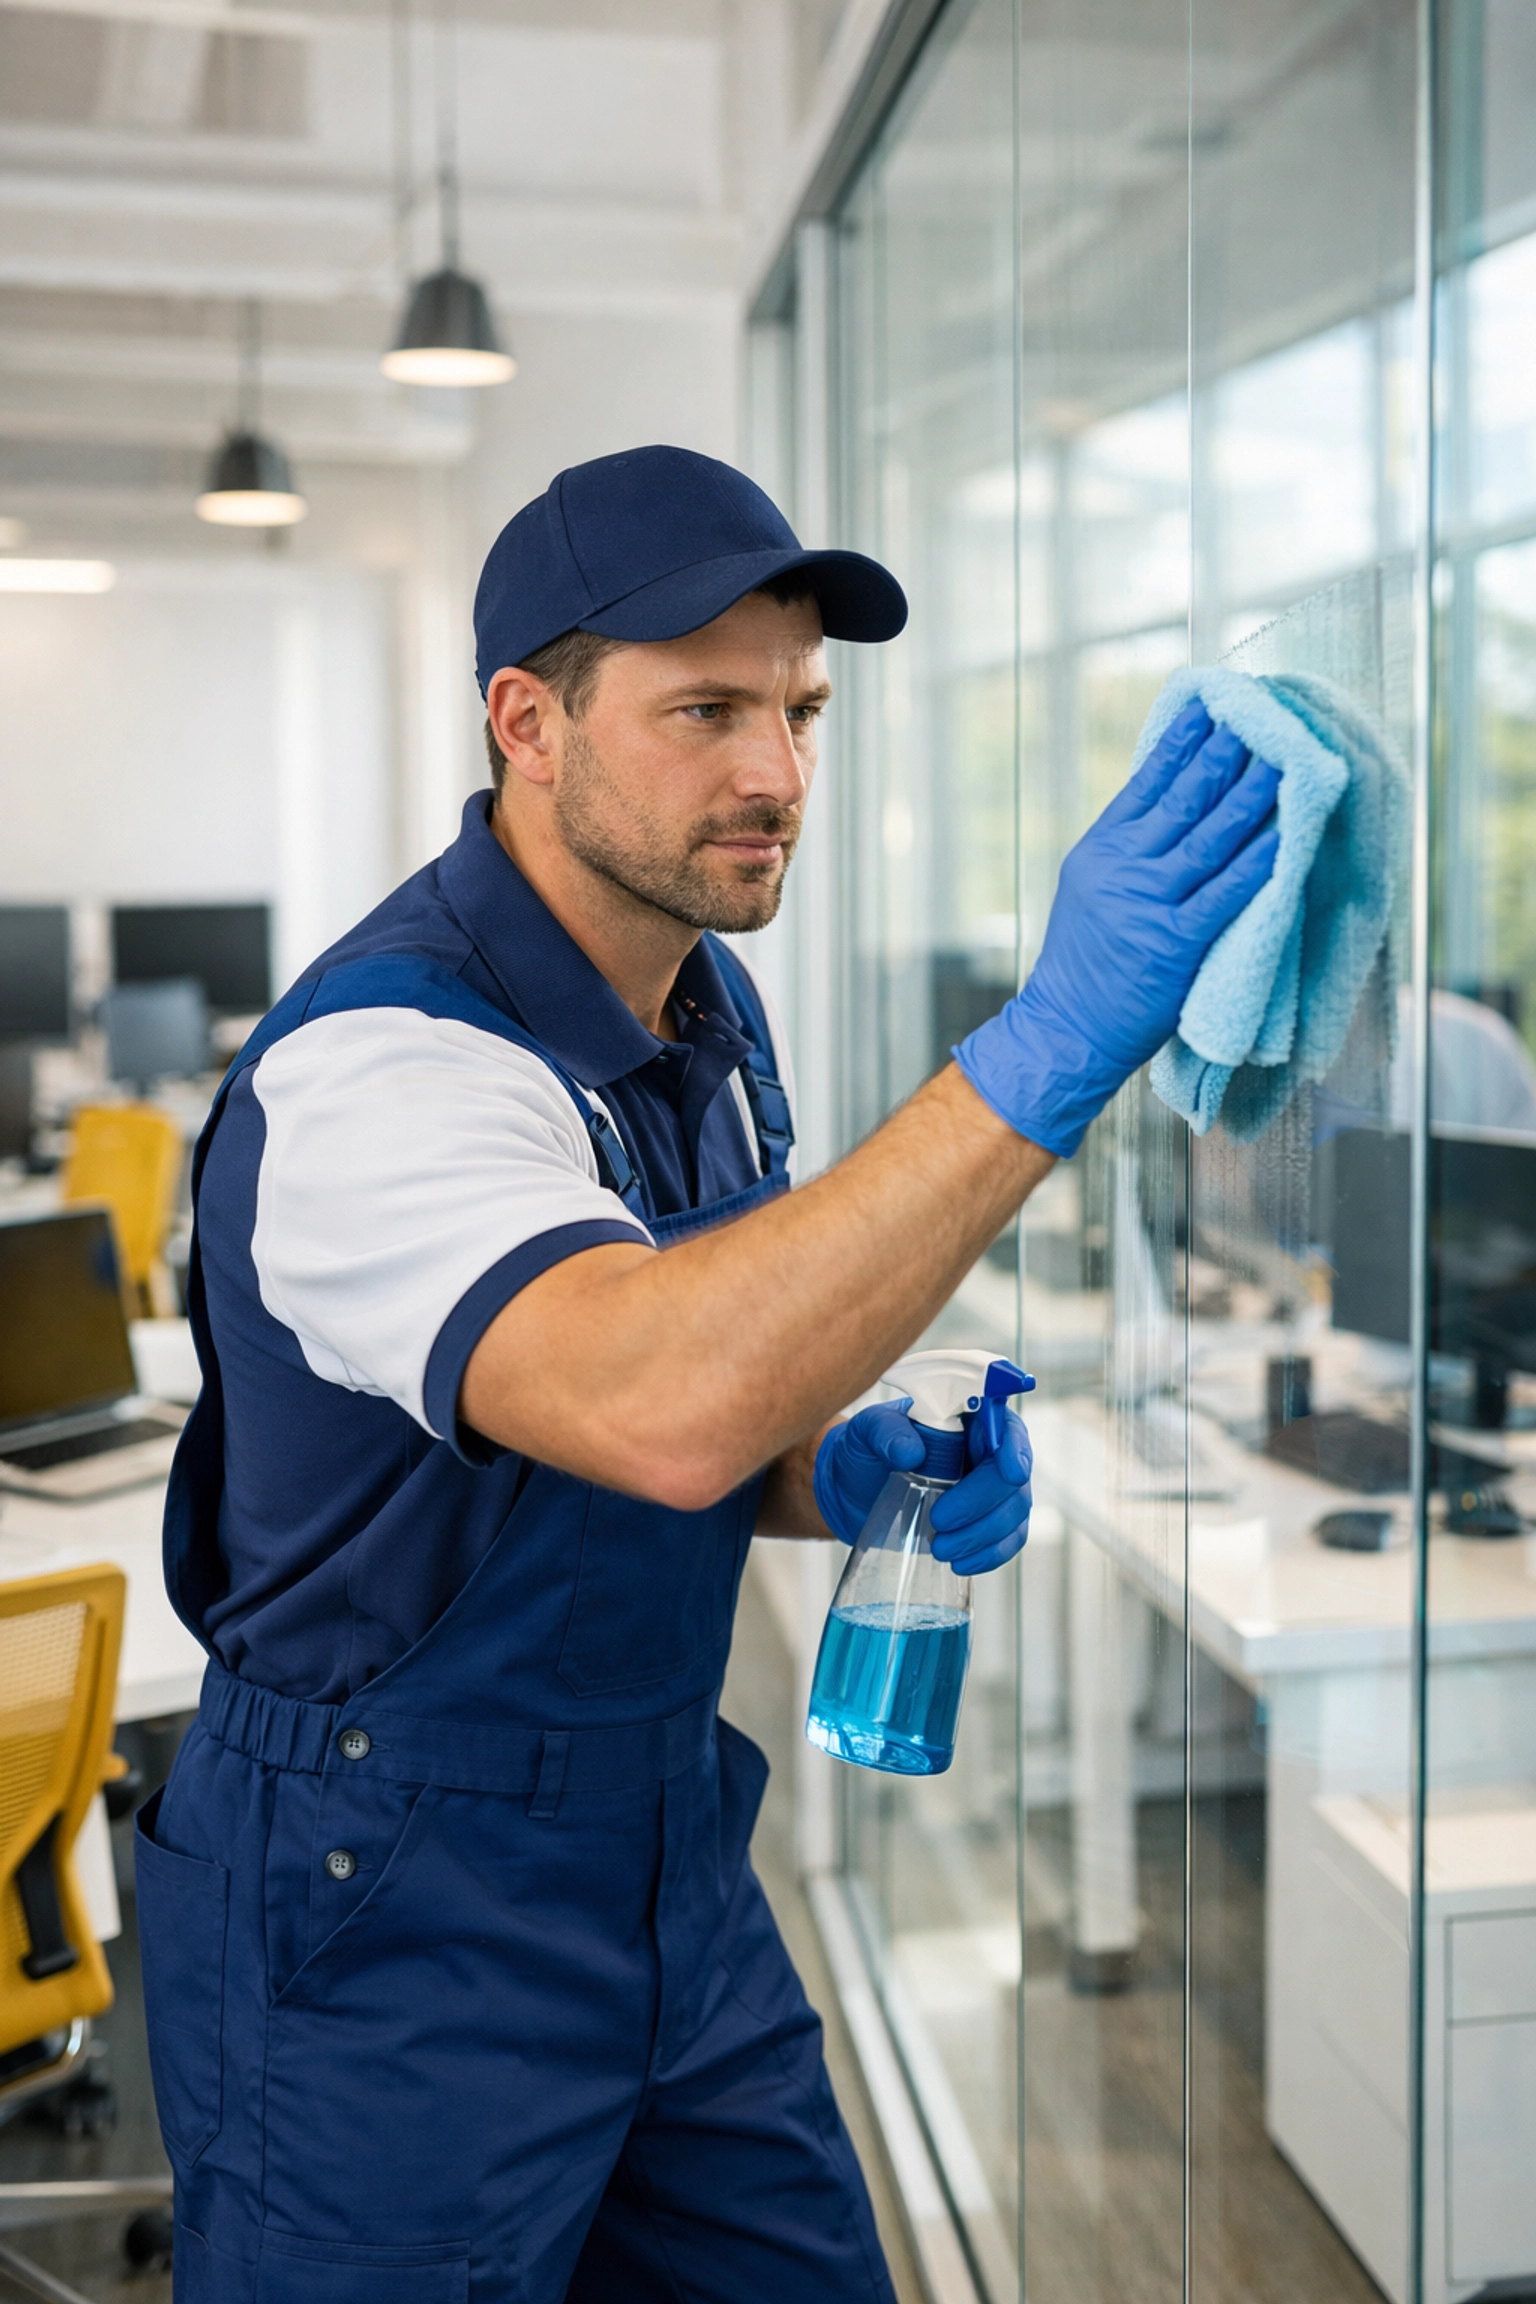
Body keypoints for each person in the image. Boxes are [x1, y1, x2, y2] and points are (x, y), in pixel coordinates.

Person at [135, 445, 1279, 2304]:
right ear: (530, 721)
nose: (779, 776)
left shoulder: (701, 1010)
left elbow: (685, 1414)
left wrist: (835, 1470)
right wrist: (1055, 1040)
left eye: (804, 711)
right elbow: (658, 1395)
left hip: (661, 1856)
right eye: (707, 711)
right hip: (383, 1910)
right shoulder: (380, 1074)